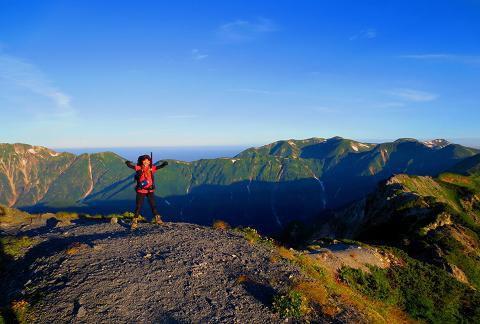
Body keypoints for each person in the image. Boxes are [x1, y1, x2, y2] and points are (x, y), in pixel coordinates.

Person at [125, 155, 168, 230]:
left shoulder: (152, 168)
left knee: (153, 205)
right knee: (138, 206)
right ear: (141, 161)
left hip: (150, 190)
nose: (146, 162)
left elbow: (159, 167)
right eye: (144, 160)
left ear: (149, 161)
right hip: (141, 190)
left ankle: (157, 219)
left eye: (148, 160)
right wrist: (127, 163)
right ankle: (134, 222)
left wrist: (163, 165)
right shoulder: (139, 167)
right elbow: (131, 166)